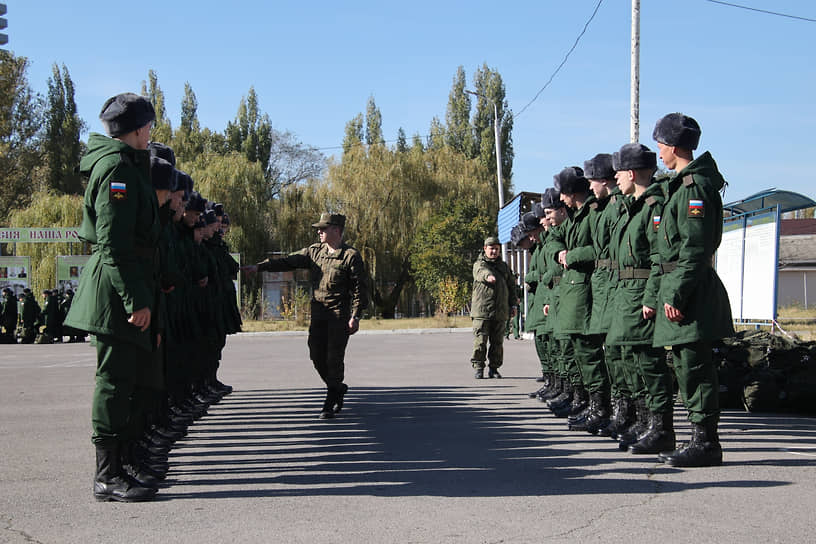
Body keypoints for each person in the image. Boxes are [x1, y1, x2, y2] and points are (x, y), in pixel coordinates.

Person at [63, 92, 161, 502]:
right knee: (114, 382)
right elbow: (113, 242)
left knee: (130, 381)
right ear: (138, 129)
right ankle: (107, 475)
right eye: (149, 126)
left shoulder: (125, 164)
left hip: (127, 285)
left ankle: (124, 461)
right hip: (115, 292)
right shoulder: (117, 168)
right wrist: (134, 299)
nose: (151, 133)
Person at [650, 113, 734, 467]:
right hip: (681, 286)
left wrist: (677, 294)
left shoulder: (694, 188)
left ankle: (706, 442)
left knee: (695, 367)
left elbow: (695, 248)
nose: (658, 152)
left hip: (690, 291)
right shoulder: (682, 185)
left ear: (672, 146)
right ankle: (698, 437)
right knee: (685, 365)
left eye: (660, 145)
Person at [245, 212, 368, 419]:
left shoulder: (350, 256)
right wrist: (260, 267)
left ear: (336, 230)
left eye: (324, 228)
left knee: (334, 357)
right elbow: (288, 262)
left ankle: (330, 401)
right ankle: (337, 387)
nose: (319, 232)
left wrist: (355, 316)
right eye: (319, 229)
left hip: (339, 313)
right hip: (319, 312)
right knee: (316, 354)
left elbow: (359, 288)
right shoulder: (314, 251)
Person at [604, 143, 676, 455]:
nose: (616, 179)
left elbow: (662, 257)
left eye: (619, 174)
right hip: (627, 294)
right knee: (633, 362)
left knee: (650, 363)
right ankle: (645, 421)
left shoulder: (653, 207)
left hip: (642, 294)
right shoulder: (634, 207)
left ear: (632, 174)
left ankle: (660, 427)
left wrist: (651, 296)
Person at [469, 236, 517, 379]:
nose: (494, 251)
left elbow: (511, 286)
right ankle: (478, 367)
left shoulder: (503, 267)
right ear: (485, 249)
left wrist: (513, 304)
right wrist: (488, 276)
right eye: (491, 249)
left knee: (497, 343)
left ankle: (494, 368)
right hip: (482, 311)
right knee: (480, 341)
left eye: (496, 249)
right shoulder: (479, 264)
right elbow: (481, 273)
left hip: (500, 311)